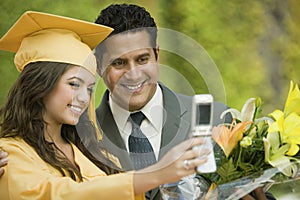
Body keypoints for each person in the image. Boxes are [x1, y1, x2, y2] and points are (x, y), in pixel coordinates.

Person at [0, 10, 209, 200]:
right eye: (74, 84)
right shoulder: (9, 153)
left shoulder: (91, 151)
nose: (84, 97)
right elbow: (56, 193)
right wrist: (157, 173)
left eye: (89, 88)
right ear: (39, 84)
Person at [93, 4, 276, 200]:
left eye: (142, 59)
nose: (133, 74)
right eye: (118, 63)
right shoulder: (79, 136)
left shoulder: (220, 121)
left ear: (157, 55)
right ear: (99, 66)